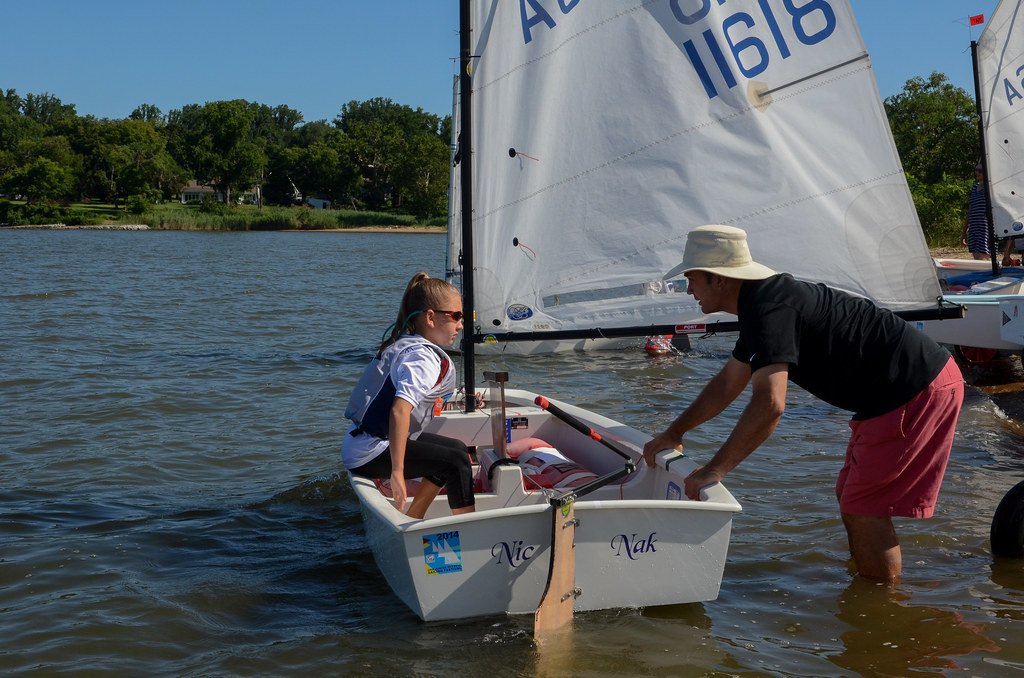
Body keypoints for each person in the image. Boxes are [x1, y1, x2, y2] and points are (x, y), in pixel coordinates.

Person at [643, 225, 963, 582]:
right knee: (851, 496)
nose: (688, 290)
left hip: (914, 387)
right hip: (897, 390)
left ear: (719, 279)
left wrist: (715, 469)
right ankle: (865, 585)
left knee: (864, 508)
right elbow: (727, 384)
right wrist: (675, 431)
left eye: (692, 278)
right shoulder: (758, 305)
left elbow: (770, 406)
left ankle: (884, 607)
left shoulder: (769, 307)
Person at [343, 272, 475, 519]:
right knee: (456, 460)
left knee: (455, 450)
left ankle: (413, 516)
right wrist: (397, 471)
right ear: (430, 317)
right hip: (370, 451)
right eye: (456, 316)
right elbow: (399, 409)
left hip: (361, 443)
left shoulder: (409, 344)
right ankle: (469, 529)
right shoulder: (423, 357)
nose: (460, 324)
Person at [961, 162, 993, 260]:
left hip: (985, 227)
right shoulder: (975, 187)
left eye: (980, 171)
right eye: (976, 170)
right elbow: (970, 210)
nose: (977, 173)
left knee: (983, 256)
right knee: (976, 255)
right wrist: (964, 231)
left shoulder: (991, 188)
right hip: (974, 227)